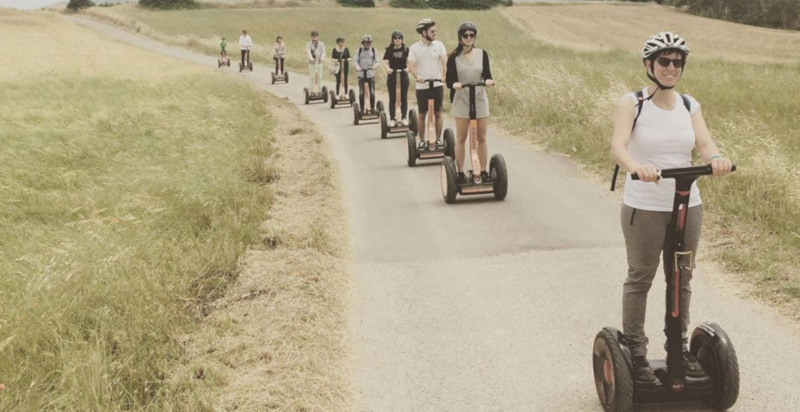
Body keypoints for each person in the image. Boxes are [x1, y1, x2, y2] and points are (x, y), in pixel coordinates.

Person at [609, 32, 733, 383]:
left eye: (677, 62)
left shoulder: (690, 104)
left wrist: (717, 159)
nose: (671, 68)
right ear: (649, 64)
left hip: (686, 203)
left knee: (682, 275)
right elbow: (618, 146)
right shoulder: (632, 103)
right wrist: (637, 167)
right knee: (641, 276)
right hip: (644, 205)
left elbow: (705, 144)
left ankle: (678, 348)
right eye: (664, 61)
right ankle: (635, 352)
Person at [445, 21, 494, 184]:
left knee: (481, 137)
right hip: (462, 99)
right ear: (460, 37)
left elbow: (487, 74)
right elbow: (449, 79)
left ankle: (483, 170)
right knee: (461, 137)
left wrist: (488, 80)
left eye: (471, 35)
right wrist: (454, 84)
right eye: (465, 35)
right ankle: (459, 172)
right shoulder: (454, 58)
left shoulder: (482, 54)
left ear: (475, 37)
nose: (468, 38)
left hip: (479, 98)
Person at [408, 18, 447, 146]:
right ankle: (423, 141)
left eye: (435, 30)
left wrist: (444, 75)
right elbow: (411, 65)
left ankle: (438, 139)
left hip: (437, 84)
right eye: (432, 31)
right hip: (422, 85)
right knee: (422, 114)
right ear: (424, 32)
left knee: (438, 112)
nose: (435, 33)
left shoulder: (439, 44)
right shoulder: (414, 48)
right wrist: (417, 76)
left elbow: (444, 60)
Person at [383, 30, 410, 127]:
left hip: (403, 76)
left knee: (403, 97)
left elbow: (409, 62)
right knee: (393, 98)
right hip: (392, 76)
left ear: (402, 40)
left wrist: (408, 68)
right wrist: (388, 69)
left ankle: (404, 117)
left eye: (399, 38)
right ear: (392, 40)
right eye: (395, 38)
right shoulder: (389, 50)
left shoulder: (406, 50)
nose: (397, 40)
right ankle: (392, 118)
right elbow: (385, 62)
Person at [355, 34, 380, 113]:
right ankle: (362, 109)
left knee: (372, 92)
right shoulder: (359, 51)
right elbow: (355, 61)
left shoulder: (373, 50)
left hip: (370, 74)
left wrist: (375, 66)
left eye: (369, 43)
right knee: (361, 93)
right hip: (361, 75)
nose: (368, 44)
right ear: (363, 43)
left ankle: (372, 108)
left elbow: (377, 61)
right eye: (366, 43)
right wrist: (358, 67)